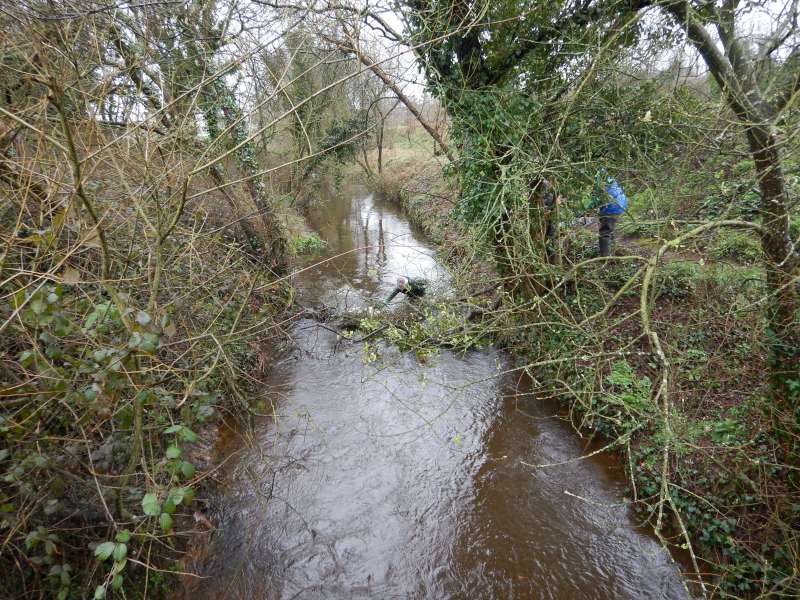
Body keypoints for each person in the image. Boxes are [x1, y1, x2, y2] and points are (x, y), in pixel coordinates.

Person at [588, 168, 628, 257]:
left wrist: (588, 208)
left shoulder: (601, 185)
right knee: (611, 230)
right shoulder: (612, 181)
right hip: (620, 207)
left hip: (610, 209)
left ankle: (605, 256)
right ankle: (613, 250)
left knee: (605, 232)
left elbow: (596, 200)